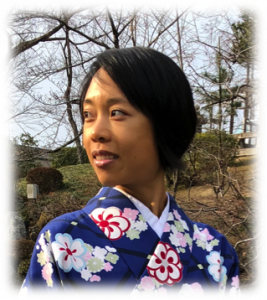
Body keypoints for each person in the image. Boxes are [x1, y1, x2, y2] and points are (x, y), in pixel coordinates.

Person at [17, 47, 241, 298]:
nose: (94, 132)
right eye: (88, 115)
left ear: (166, 121)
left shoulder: (215, 250)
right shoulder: (63, 240)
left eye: (117, 113)